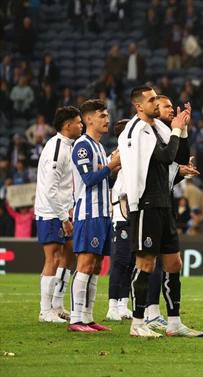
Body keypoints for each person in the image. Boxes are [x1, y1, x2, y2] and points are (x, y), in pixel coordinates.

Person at [119, 86, 202, 338]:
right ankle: (137, 322)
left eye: (157, 98)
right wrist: (175, 128)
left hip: (164, 202)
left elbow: (180, 157)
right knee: (145, 263)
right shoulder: (137, 130)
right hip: (145, 203)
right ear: (138, 106)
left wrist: (183, 127)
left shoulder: (159, 127)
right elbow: (167, 156)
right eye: (151, 99)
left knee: (173, 263)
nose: (156, 103)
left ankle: (174, 323)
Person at [69, 99, 121, 332]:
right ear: (88, 119)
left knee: (97, 264)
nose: (106, 119)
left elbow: (102, 181)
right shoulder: (83, 145)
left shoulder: (100, 146)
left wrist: (113, 169)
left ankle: (88, 317)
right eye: (101, 115)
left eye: (107, 115)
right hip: (88, 213)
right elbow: (89, 180)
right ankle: (75, 319)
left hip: (103, 212)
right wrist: (111, 166)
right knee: (85, 263)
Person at [34, 106, 81, 323]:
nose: (81, 125)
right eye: (78, 122)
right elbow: (50, 189)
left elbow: (64, 185)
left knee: (69, 254)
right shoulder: (56, 149)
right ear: (67, 125)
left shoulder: (69, 147)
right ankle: (46, 311)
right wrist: (63, 217)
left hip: (64, 210)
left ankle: (58, 304)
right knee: (52, 257)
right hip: (51, 212)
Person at [106, 119, 134, 322]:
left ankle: (123, 304)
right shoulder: (116, 155)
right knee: (120, 262)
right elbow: (109, 181)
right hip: (120, 214)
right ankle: (111, 306)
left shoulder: (134, 154)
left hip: (133, 212)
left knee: (130, 263)